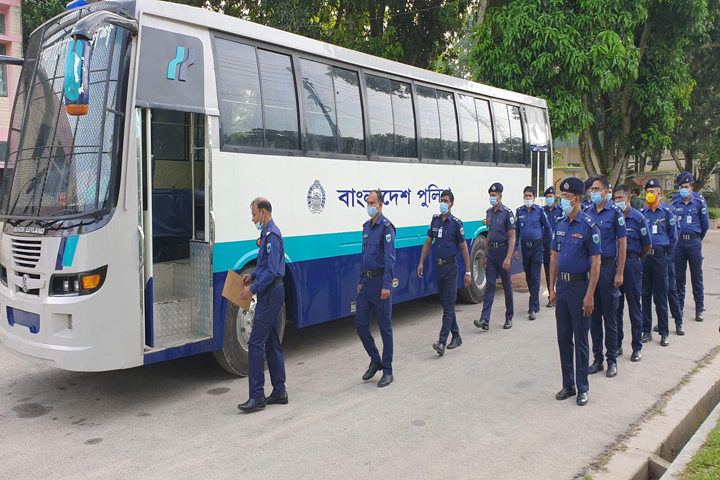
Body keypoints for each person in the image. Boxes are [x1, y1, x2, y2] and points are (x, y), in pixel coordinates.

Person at [549, 177, 601, 406]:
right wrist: (550, 288)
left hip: (581, 287)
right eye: (562, 196)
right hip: (562, 288)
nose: (563, 200)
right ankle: (567, 384)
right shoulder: (560, 223)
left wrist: (590, 294)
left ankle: (582, 388)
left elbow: (596, 262)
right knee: (563, 338)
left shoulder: (589, 225)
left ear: (577, 199)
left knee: (580, 339)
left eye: (567, 197)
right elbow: (553, 257)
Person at [238, 198, 288, 413]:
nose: (253, 219)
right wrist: (252, 275)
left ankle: (257, 396)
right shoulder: (267, 234)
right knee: (271, 342)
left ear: (264, 213)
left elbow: (273, 270)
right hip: (271, 291)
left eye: (254, 214)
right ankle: (279, 391)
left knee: (256, 342)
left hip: (271, 293)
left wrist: (253, 288)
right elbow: (264, 266)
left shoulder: (272, 236)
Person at [417, 190, 472, 355]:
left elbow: (464, 248)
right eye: (441, 200)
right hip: (438, 268)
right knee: (445, 303)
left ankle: (442, 341)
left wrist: (468, 272)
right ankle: (456, 336)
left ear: (452, 204)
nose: (443, 203)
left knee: (448, 305)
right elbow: (428, 243)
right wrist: (421, 262)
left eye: (446, 201)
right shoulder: (435, 221)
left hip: (450, 269)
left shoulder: (456, 224)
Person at [585, 175, 626, 378]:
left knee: (610, 318)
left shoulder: (615, 213)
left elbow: (622, 243)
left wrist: (620, 272)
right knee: (593, 317)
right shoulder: (587, 212)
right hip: (592, 271)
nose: (593, 192)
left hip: (609, 270)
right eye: (591, 189)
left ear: (606, 191)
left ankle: (612, 360)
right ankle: (597, 359)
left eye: (597, 189)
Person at [356, 190, 396, 387]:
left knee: (385, 328)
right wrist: (361, 280)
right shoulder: (366, 227)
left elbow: (389, 258)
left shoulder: (386, 228)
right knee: (360, 323)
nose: (369, 205)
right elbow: (363, 257)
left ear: (380, 204)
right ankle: (375, 359)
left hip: (381, 285)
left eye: (372, 202)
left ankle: (387, 371)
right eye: (368, 202)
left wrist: (387, 285)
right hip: (367, 284)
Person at [614, 185, 652, 362]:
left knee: (635, 307)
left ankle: (637, 347)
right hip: (615, 265)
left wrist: (635, 259)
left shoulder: (638, 218)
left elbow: (647, 245)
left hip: (632, 263)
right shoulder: (613, 216)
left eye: (621, 198)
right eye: (616, 198)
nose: (618, 201)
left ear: (629, 199)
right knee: (616, 307)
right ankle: (617, 343)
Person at [474, 183, 516, 330]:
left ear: (500, 196)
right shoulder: (489, 213)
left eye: (494, 195)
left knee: (506, 285)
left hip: (503, 252)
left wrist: (508, 258)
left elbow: (513, 237)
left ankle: (509, 317)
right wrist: (485, 255)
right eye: (490, 196)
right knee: (490, 285)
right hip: (491, 252)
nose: (492, 198)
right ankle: (484, 319)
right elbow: (489, 235)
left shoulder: (507, 213)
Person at [641, 178, 677, 346]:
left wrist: (667, 256)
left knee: (661, 296)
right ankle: (646, 330)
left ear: (660, 194)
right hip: (646, 258)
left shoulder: (667, 212)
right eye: (648, 191)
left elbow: (673, 237)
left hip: (661, 257)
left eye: (653, 191)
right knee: (645, 294)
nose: (650, 194)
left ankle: (664, 332)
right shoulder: (643, 213)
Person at [672, 172, 709, 323]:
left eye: (686, 187)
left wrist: (697, 238)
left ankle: (699, 307)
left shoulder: (699, 201)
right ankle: (679, 307)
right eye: (681, 187)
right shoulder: (675, 202)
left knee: (697, 276)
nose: (684, 189)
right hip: (679, 243)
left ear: (691, 188)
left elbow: (705, 225)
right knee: (679, 277)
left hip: (694, 243)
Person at [514, 186, 550, 320]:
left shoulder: (539, 211)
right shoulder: (519, 212)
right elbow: (516, 231)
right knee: (528, 276)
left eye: (530, 196)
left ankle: (532, 308)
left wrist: (549, 244)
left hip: (537, 247)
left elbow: (547, 227)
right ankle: (535, 301)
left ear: (534, 198)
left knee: (535, 276)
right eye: (526, 196)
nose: (528, 198)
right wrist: (516, 248)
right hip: (525, 248)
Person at [543, 186, 564, 308]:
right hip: (546, 245)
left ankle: (560, 294)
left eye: (550, 197)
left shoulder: (560, 210)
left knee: (559, 270)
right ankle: (551, 294)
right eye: (547, 197)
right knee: (548, 270)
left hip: (559, 245)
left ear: (554, 198)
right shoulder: (542, 211)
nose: (549, 199)